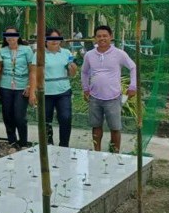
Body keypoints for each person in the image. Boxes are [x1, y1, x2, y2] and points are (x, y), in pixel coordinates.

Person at [81, 25, 137, 153]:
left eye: (105, 36)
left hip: (113, 97)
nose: (102, 38)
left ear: (111, 37)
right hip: (94, 97)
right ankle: (97, 152)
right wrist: (85, 88)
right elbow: (84, 72)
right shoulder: (89, 55)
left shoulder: (119, 54)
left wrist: (133, 86)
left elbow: (133, 67)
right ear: (95, 38)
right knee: (96, 126)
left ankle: (114, 153)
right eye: (99, 36)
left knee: (115, 128)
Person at [0, 27, 37, 149]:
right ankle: (12, 142)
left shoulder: (26, 50)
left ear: (18, 36)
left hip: (22, 86)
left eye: (13, 35)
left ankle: (23, 142)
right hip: (5, 86)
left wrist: (30, 87)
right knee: (7, 115)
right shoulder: (2, 51)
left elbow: (32, 71)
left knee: (19, 116)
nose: (10, 38)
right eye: (7, 35)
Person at [44, 28, 78, 147]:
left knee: (65, 118)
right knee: (46, 120)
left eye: (57, 39)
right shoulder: (39, 53)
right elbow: (35, 73)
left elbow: (72, 74)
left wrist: (72, 67)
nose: (54, 41)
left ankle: (64, 145)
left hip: (63, 91)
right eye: (51, 39)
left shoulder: (67, 53)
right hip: (46, 92)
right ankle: (48, 144)